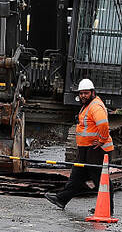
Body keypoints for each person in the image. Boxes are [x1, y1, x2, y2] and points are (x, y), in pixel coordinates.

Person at [45, 78, 114, 212]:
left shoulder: (95, 106)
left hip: (97, 150)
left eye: (86, 93)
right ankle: (61, 199)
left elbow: (103, 124)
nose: (83, 96)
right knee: (76, 176)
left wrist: (102, 140)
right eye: (81, 93)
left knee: (100, 178)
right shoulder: (87, 106)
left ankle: (107, 208)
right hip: (86, 149)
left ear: (92, 93)